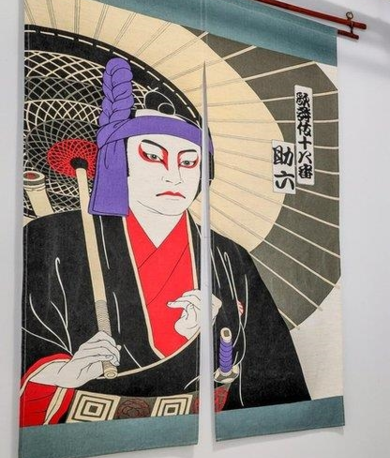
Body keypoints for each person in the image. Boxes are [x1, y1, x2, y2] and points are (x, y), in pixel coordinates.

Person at [20, 56, 309, 426]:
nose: (174, 176)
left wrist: (200, 340)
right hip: (89, 429)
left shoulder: (228, 257)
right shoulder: (54, 238)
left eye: (189, 162)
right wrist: (58, 373)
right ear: (120, 161)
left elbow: (270, 372)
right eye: (153, 156)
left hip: (208, 429)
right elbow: (25, 341)